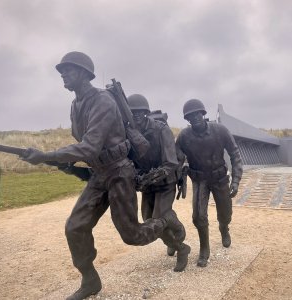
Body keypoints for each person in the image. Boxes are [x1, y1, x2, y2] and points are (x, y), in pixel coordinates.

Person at [22, 51, 176, 300]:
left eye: (68, 70)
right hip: (99, 174)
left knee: (132, 235)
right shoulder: (75, 104)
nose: (63, 75)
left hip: (119, 172)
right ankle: (90, 280)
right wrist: (65, 161)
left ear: (83, 73)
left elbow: (90, 146)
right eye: (61, 72)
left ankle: (163, 222)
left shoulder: (103, 101)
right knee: (75, 227)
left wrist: (46, 155)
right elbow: (83, 144)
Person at [127, 94, 191, 272]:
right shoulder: (129, 132)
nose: (137, 115)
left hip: (165, 182)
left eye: (140, 112)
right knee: (148, 220)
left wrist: (151, 176)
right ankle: (175, 232)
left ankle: (181, 248)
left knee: (157, 221)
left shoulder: (161, 129)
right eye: (133, 112)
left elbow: (171, 162)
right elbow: (131, 160)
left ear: (146, 112)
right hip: (148, 185)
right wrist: (137, 177)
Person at [175, 99, 243, 268]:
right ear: (187, 120)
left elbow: (235, 154)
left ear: (203, 114)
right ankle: (204, 248)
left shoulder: (220, 131)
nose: (195, 118)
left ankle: (224, 228)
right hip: (199, 180)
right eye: (191, 116)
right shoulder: (184, 136)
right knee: (198, 216)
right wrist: (180, 169)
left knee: (225, 213)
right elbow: (176, 157)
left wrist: (235, 180)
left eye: (197, 114)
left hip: (220, 179)